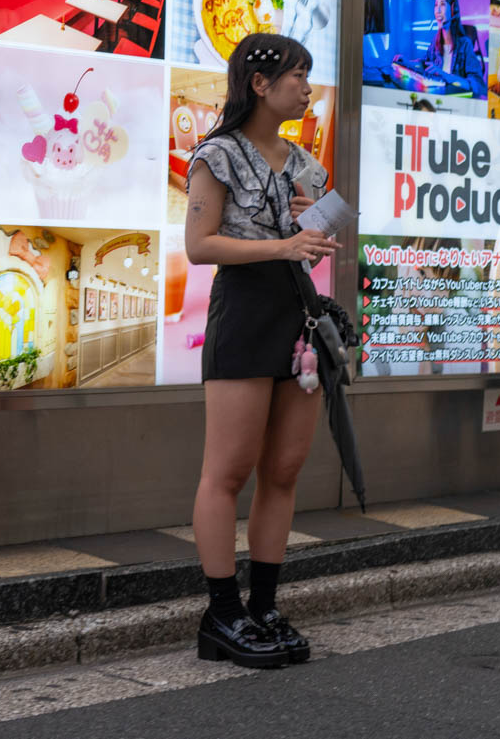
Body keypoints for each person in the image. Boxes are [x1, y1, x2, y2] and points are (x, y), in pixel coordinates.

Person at [184, 33, 337, 669]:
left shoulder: (307, 163)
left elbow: (326, 234)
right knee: (229, 471)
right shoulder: (215, 155)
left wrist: (320, 215)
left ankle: (265, 606)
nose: (306, 87)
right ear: (259, 84)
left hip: (299, 321)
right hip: (245, 315)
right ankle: (221, 614)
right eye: (297, 76)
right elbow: (200, 245)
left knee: (284, 469)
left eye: (307, 75)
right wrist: (283, 245)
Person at [427, 0, 486, 97]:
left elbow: (477, 85)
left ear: (453, 9)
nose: (437, 10)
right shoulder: (435, 42)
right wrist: (407, 63)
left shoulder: (465, 45)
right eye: (436, 5)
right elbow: (425, 63)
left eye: (442, 4)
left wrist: (444, 75)